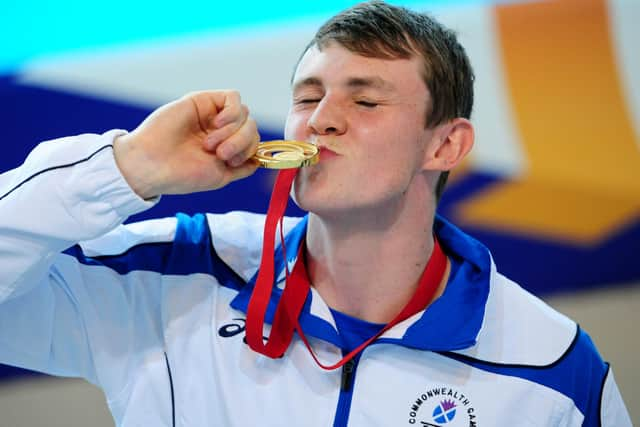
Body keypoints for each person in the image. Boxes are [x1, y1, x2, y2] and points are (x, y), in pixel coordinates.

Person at [0, 1, 631, 426]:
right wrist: (127, 166)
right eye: (308, 96)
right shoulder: (172, 278)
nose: (320, 118)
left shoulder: (551, 365)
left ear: (445, 145)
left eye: (366, 100)